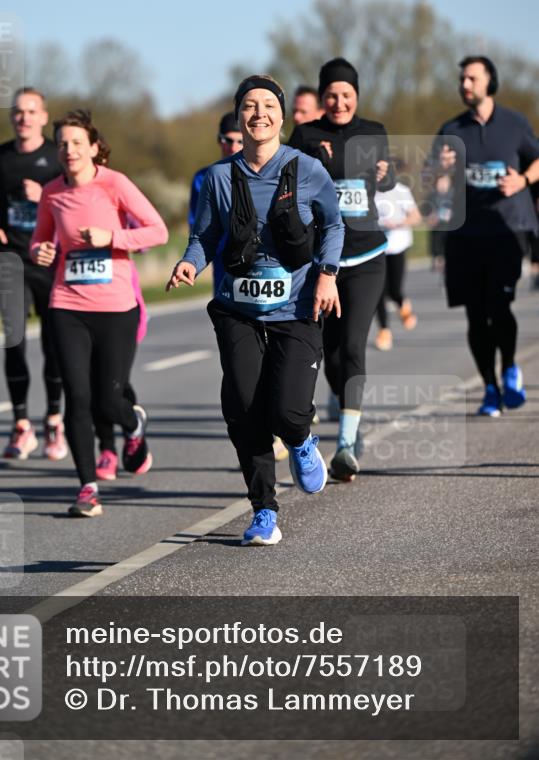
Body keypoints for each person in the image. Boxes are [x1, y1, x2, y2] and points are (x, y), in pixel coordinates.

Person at [167, 75, 344, 547]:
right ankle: (264, 510)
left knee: (286, 412)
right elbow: (204, 237)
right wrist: (189, 262)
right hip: (237, 308)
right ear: (239, 116)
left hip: (298, 304)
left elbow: (333, 224)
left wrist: (327, 274)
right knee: (244, 407)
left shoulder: (307, 170)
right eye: (249, 105)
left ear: (282, 116)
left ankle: (302, 440)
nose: (259, 113)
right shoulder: (219, 178)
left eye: (268, 105)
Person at [31, 109, 168, 517]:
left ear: (94, 148)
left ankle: (132, 423)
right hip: (66, 305)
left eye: (76, 142)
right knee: (77, 397)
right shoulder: (51, 192)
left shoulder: (115, 184)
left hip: (115, 308)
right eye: (62, 144)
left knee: (108, 402)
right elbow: (40, 241)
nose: (69, 150)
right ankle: (87, 488)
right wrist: (39, 251)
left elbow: (157, 230)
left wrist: (113, 238)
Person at [289, 58, 394, 482]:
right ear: (322, 97)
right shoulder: (306, 135)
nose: (339, 102)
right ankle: (345, 406)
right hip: (322, 261)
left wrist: (385, 175)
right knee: (329, 353)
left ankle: (346, 444)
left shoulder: (374, 132)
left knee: (352, 344)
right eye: (331, 94)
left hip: (367, 256)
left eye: (346, 94)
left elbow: (382, 182)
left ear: (356, 96)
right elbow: (288, 184)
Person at [435, 56, 539, 416]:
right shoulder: (451, 129)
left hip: (507, 229)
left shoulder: (514, 123)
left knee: (499, 305)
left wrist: (523, 180)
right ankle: (490, 389)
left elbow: (537, 160)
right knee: (475, 316)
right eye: (462, 78)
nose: (465, 84)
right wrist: (440, 171)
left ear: (489, 81)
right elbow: (434, 185)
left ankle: (509, 366)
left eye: (472, 78)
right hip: (465, 235)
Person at [0, 86, 65, 461]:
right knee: (13, 338)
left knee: (53, 343)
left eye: (32, 111)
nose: (24, 117)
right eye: (18, 111)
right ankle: (20, 424)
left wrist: (43, 197)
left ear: (44, 117)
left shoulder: (57, 155)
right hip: (11, 257)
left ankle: (52, 420)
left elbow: (73, 204)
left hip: (48, 259)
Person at [90, 132, 149, 483]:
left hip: (123, 304)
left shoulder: (116, 192)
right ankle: (107, 450)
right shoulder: (61, 194)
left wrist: (114, 234)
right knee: (86, 384)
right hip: (76, 306)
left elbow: (148, 234)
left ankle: (131, 425)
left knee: (112, 382)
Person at [188, 112, 243, 291]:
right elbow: (197, 225)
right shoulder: (202, 178)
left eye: (240, 141)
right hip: (222, 263)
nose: (233, 147)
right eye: (228, 140)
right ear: (219, 140)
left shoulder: (262, 174)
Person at [374, 158, 422, 351]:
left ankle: (403, 305)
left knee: (394, 290)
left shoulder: (400, 190)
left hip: (397, 246)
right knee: (378, 292)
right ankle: (384, 331)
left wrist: (399, 224)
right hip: (376, 249)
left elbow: (416, 216)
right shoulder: (369, 192)